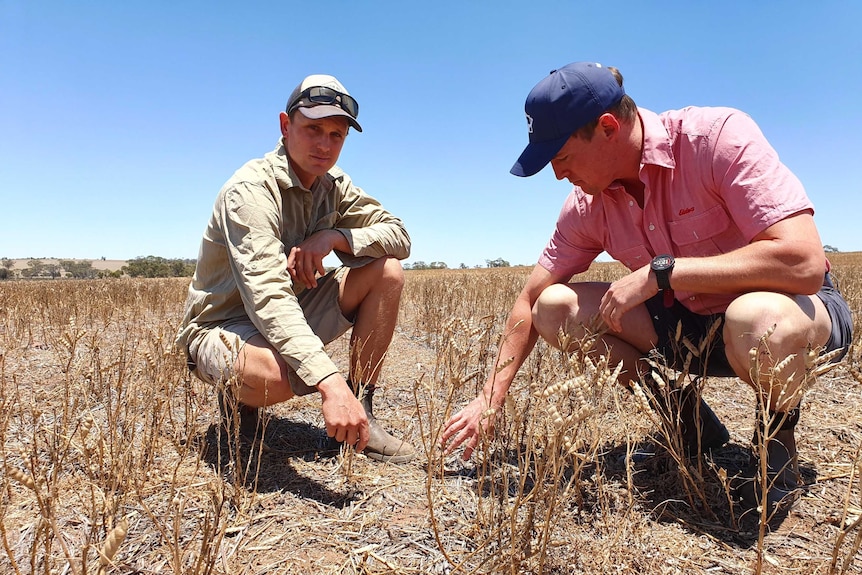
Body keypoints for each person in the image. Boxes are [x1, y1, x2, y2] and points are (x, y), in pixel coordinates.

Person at [440, 62, 853, 510]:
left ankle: (778, 444)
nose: (558, 175)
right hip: (691, 325)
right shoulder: (586, 205)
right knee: (555, 307)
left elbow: (804, 262)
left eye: (561, 157)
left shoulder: (715, 138)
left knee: (755, 317)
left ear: (607, 128)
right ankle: (686, 419)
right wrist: (490, 400)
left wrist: (665, 272)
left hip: (794, 317)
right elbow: (529, 299)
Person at [176, 73, 416, 463]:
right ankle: (240, 397)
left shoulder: (335, 185)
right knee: (274, 378)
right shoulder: (250, 190)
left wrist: (335, 238)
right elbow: (268, 297)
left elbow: (400, 237)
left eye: (336, 135)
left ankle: (362, 415)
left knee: (387, 271)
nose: (324, 144)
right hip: (224, 325)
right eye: (313, 129)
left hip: (293, 308)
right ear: (286, 126)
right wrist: (330, 383)